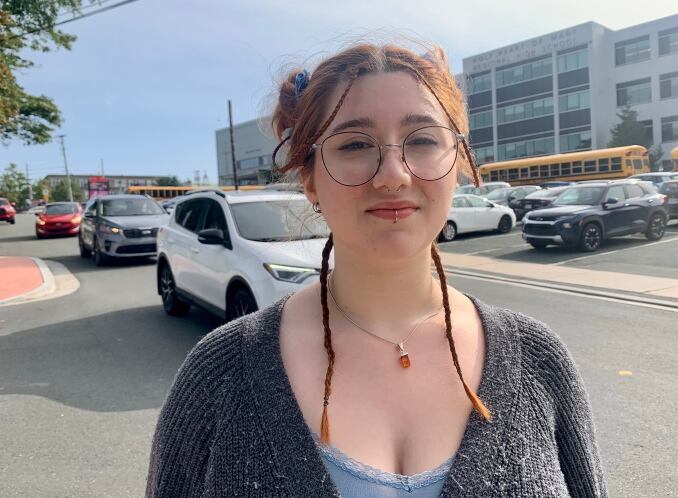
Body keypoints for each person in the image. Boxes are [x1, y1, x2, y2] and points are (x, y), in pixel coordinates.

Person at [146, 42, 608, 497]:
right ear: (308, 177)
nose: (393, 175)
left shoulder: (539, 361)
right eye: (355, 144)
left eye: (423, 140)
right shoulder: (219, 374)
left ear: (460, 162)